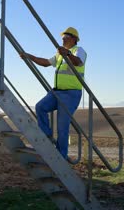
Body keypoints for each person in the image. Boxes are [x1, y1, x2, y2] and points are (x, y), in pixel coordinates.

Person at [20, 27, 87, 159]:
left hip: (71, 94)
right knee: (40, 107)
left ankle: (61, 156)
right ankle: (46, 136)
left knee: (62, 126)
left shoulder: (79, 50)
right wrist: (30, 57)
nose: (62, 38)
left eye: (65, 36)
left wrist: (67, 54)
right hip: (56, 92)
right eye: (62, 37)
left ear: (74, 38)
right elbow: (46, 63)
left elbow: (78, 62)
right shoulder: (59, 54)